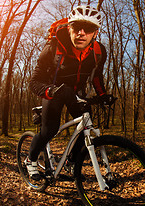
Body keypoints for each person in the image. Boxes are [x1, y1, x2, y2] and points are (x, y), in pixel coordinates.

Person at [28, 5, 111, 180]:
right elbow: (34, 81)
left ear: (95, 33)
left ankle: (71, 163)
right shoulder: (54, 47)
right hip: (55, 90)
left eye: (87, 28)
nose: (81, 33)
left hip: (76, 92)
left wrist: (103, 95)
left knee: (86, 127)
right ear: (69, 28)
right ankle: (31, 160)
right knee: (49, 130)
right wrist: (49, 90)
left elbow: (97, 76)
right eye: (76, 27)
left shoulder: (98, 52)